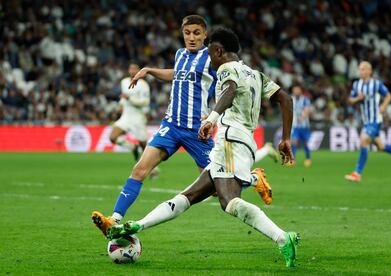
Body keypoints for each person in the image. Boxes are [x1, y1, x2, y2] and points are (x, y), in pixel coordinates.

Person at [107, 28, 299, 268]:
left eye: (211, 54)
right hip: (246, 142)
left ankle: (283, 237)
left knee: (229, 201)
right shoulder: (256, 74)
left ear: (218, 51)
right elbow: (286, 99)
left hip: (230, 139)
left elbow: (229, 89)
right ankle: (136, 226)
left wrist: (211, 119)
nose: (210, 59)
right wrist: (286, 138)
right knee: (190, 195)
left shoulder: (227, 69)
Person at [92, 15, 273, 237]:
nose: (191, 37)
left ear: (205, 35)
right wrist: (149, 70)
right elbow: (175, 74)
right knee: (140, 169)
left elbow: (229, 85)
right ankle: (114, 219)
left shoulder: (212, 59)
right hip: (171, 126)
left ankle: (254, 178)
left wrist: (213, 114)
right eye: (187, 33)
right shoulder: (180, 54)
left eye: (197, 33)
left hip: (196, 131)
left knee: (218, 189)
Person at [345, 61, 391, 182]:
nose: (361, 71)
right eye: (360, 69)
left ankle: (357, 173)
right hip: (366, 120)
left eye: (364, 69)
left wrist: (384, 106)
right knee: (381, 146)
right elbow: (350, 100)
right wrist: (357, 99)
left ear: (369, 71)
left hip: (375, 119)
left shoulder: (376, 84)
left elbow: (389, 96)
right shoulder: (356, 85)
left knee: (363, 140)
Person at [110, 62, 150, 161]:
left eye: (135, 69)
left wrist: (129, 99)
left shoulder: (143, 85)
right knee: (113, 137)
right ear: (128, 70)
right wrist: (120, 106)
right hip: (126, 116)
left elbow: (145, 102)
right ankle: (132, 147)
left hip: (138, 117)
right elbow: (124, 97)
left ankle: (153, 168)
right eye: (131, 68)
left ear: (139, 71)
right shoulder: (124, 82)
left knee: (143, 144)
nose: (132, 71)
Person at [290, 85, 312, 167]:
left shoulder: (305, 100)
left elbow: (307, 110)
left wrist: (302, 118)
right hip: (295, 126)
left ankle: (308, 158)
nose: (296, 91)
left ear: (300, 91)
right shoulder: (291, 99)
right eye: (295, 90)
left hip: (304, 126)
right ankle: (293, 160)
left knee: (305, 143)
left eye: (298, 90)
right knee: (294, 142)